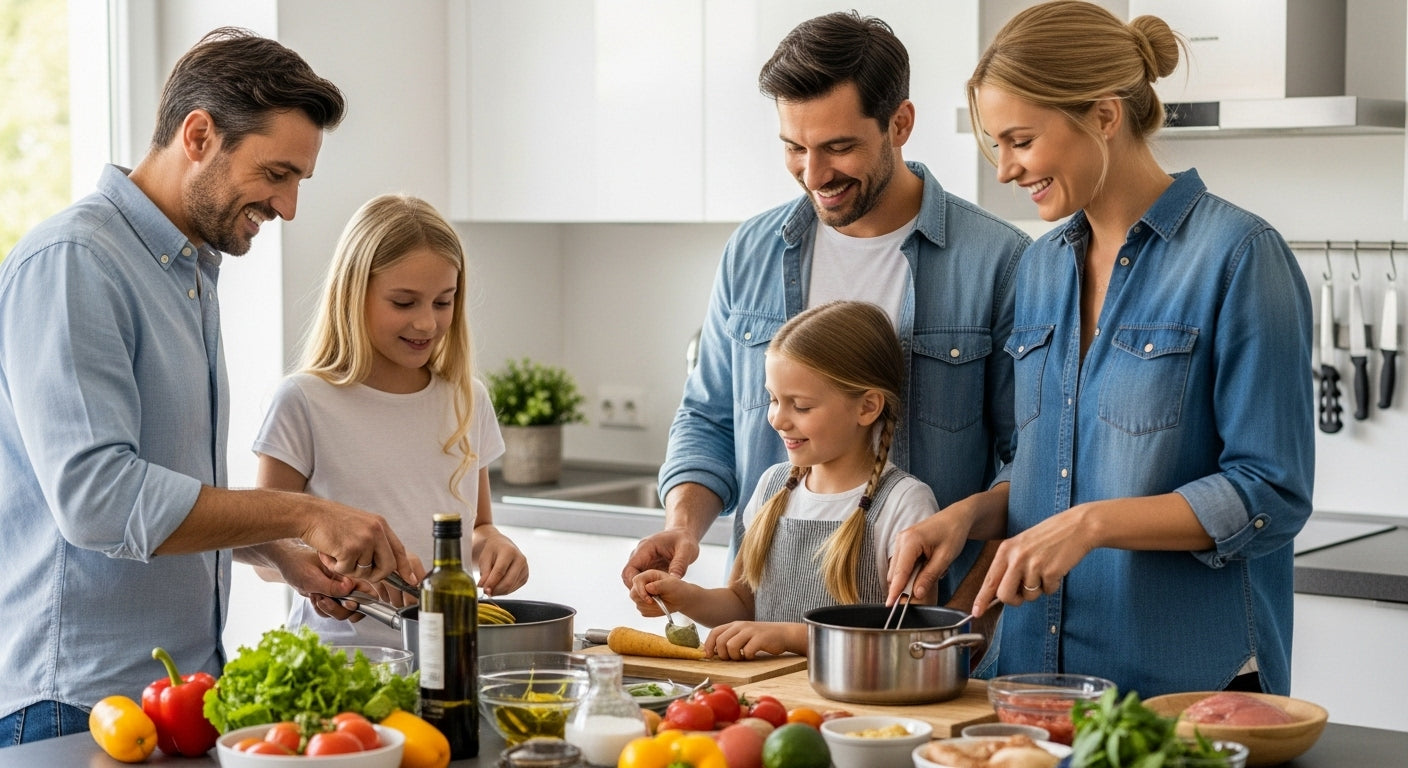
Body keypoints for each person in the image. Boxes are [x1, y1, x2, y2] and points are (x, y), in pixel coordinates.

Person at [0, 28, 415, 746]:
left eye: (297, 183)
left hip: (178, 694)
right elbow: (98, 499)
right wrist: (302, 515)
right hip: (75, 704)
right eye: (276, 174)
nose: (287, 208)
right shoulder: (75, 262)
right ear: (198, 135)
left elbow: (170, 494)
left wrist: (287, 557)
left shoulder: (187, 273)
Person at [889, 1, 1314, 697]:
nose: (1005, 170)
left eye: (1020, 141)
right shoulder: (1040, 266)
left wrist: (1091, 526)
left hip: (1182, 688)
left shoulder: (1238, 257)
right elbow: (1050, 464)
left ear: (1105, 117)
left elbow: (1271, 492)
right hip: (1031, 681)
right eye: (994, 146)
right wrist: (971, 513)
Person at [621, 10, 1032, 625]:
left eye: (839, 147)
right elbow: (708, 416)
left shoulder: (998, 261)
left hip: (929, 642)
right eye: (794, 148)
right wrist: (683, 524)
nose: (814, 176)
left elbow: (1028, 462)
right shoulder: (752, 251)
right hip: (765, 638)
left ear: (901, 124)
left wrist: (964, 624)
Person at [251, 193, 529, 645]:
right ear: (353, 293)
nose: (426, 323)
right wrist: (333, 570)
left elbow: (475, 528)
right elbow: (264, 553)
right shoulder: (304, 401)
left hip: (444, 657)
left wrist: (494, 547)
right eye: (404, 303)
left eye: (443, 302)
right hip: (338, 659)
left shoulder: (467, 399)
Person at [631, 301, 938, 659]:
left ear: (868, 407)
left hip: (856, 708)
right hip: (767, 701)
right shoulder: (773, 486)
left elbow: (910, 637)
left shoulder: (905, 503)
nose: (777, 419)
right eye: (773, 400)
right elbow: (744, 603)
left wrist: (792, 637)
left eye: (801, 406)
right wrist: (685, 597)